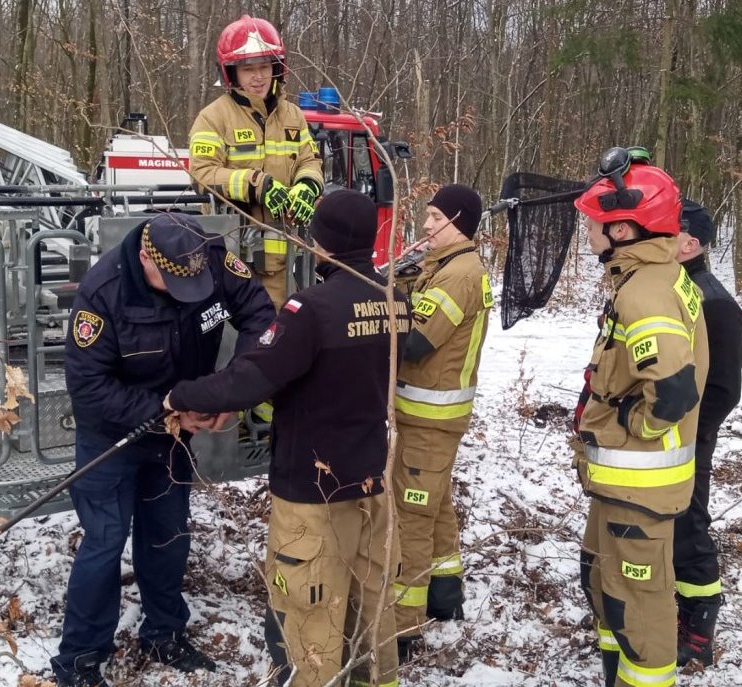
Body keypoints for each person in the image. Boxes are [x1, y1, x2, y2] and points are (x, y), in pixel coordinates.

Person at [165, 190, 405, 687]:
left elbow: (253, 376)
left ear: (323, 243)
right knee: (370, 605)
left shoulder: (311, 309)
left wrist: (181, 395)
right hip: (372, 480)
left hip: (311, 491)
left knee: (306, 609)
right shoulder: (394, 300)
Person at [51, 213, 276, 687]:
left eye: (192, 281)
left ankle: (164, 633)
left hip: (175, 436)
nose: (183, 290)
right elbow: (88, 388)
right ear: (143, 259)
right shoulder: (102, 293)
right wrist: (165, 409)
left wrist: (231, 391)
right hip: (113, 436)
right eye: (172, 281)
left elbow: (261, 318)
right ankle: (80, 659)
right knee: (105, 542)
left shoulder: (211, 259)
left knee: (168, 535)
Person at [570, 151, 708, 687]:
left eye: (593, 223)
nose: (587, 231)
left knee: (640, 605)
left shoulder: (646, 294)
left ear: (622, 227)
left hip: (641, 482)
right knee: (608, 586)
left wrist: (637, 432)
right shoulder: (645, 277)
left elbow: (672, 393)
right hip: (624, 483)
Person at [390, 184, 492, 660]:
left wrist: (383, 309)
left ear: (458, 222)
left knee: (411, 514)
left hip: (431, 416)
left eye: (435, 218)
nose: (426, 226)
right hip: (434, 415)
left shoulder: (459, 276)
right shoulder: (448, 266)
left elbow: (415, 343)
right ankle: (445, 593)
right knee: (436, 504)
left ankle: (404, 626)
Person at [187, 14, 325, 309]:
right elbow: (201, 175)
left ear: (277, 68)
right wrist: (256, 185)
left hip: (287, 260)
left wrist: (307, 185)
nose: (258, 77)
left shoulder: (293, 115)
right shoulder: (213, 117)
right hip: (232, 260)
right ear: (231, 73)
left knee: (280, 340)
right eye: (248, 69)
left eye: (264, 67)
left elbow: (310, 160)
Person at [671, 199, 742, 666]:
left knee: (688, 522)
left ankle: (700, 627)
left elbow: (723, 389)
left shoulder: (714, 302)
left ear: (691, 243)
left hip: (690, 436)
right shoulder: (673, 287)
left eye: (669, 230)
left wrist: (692, 431)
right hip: (665, 436)